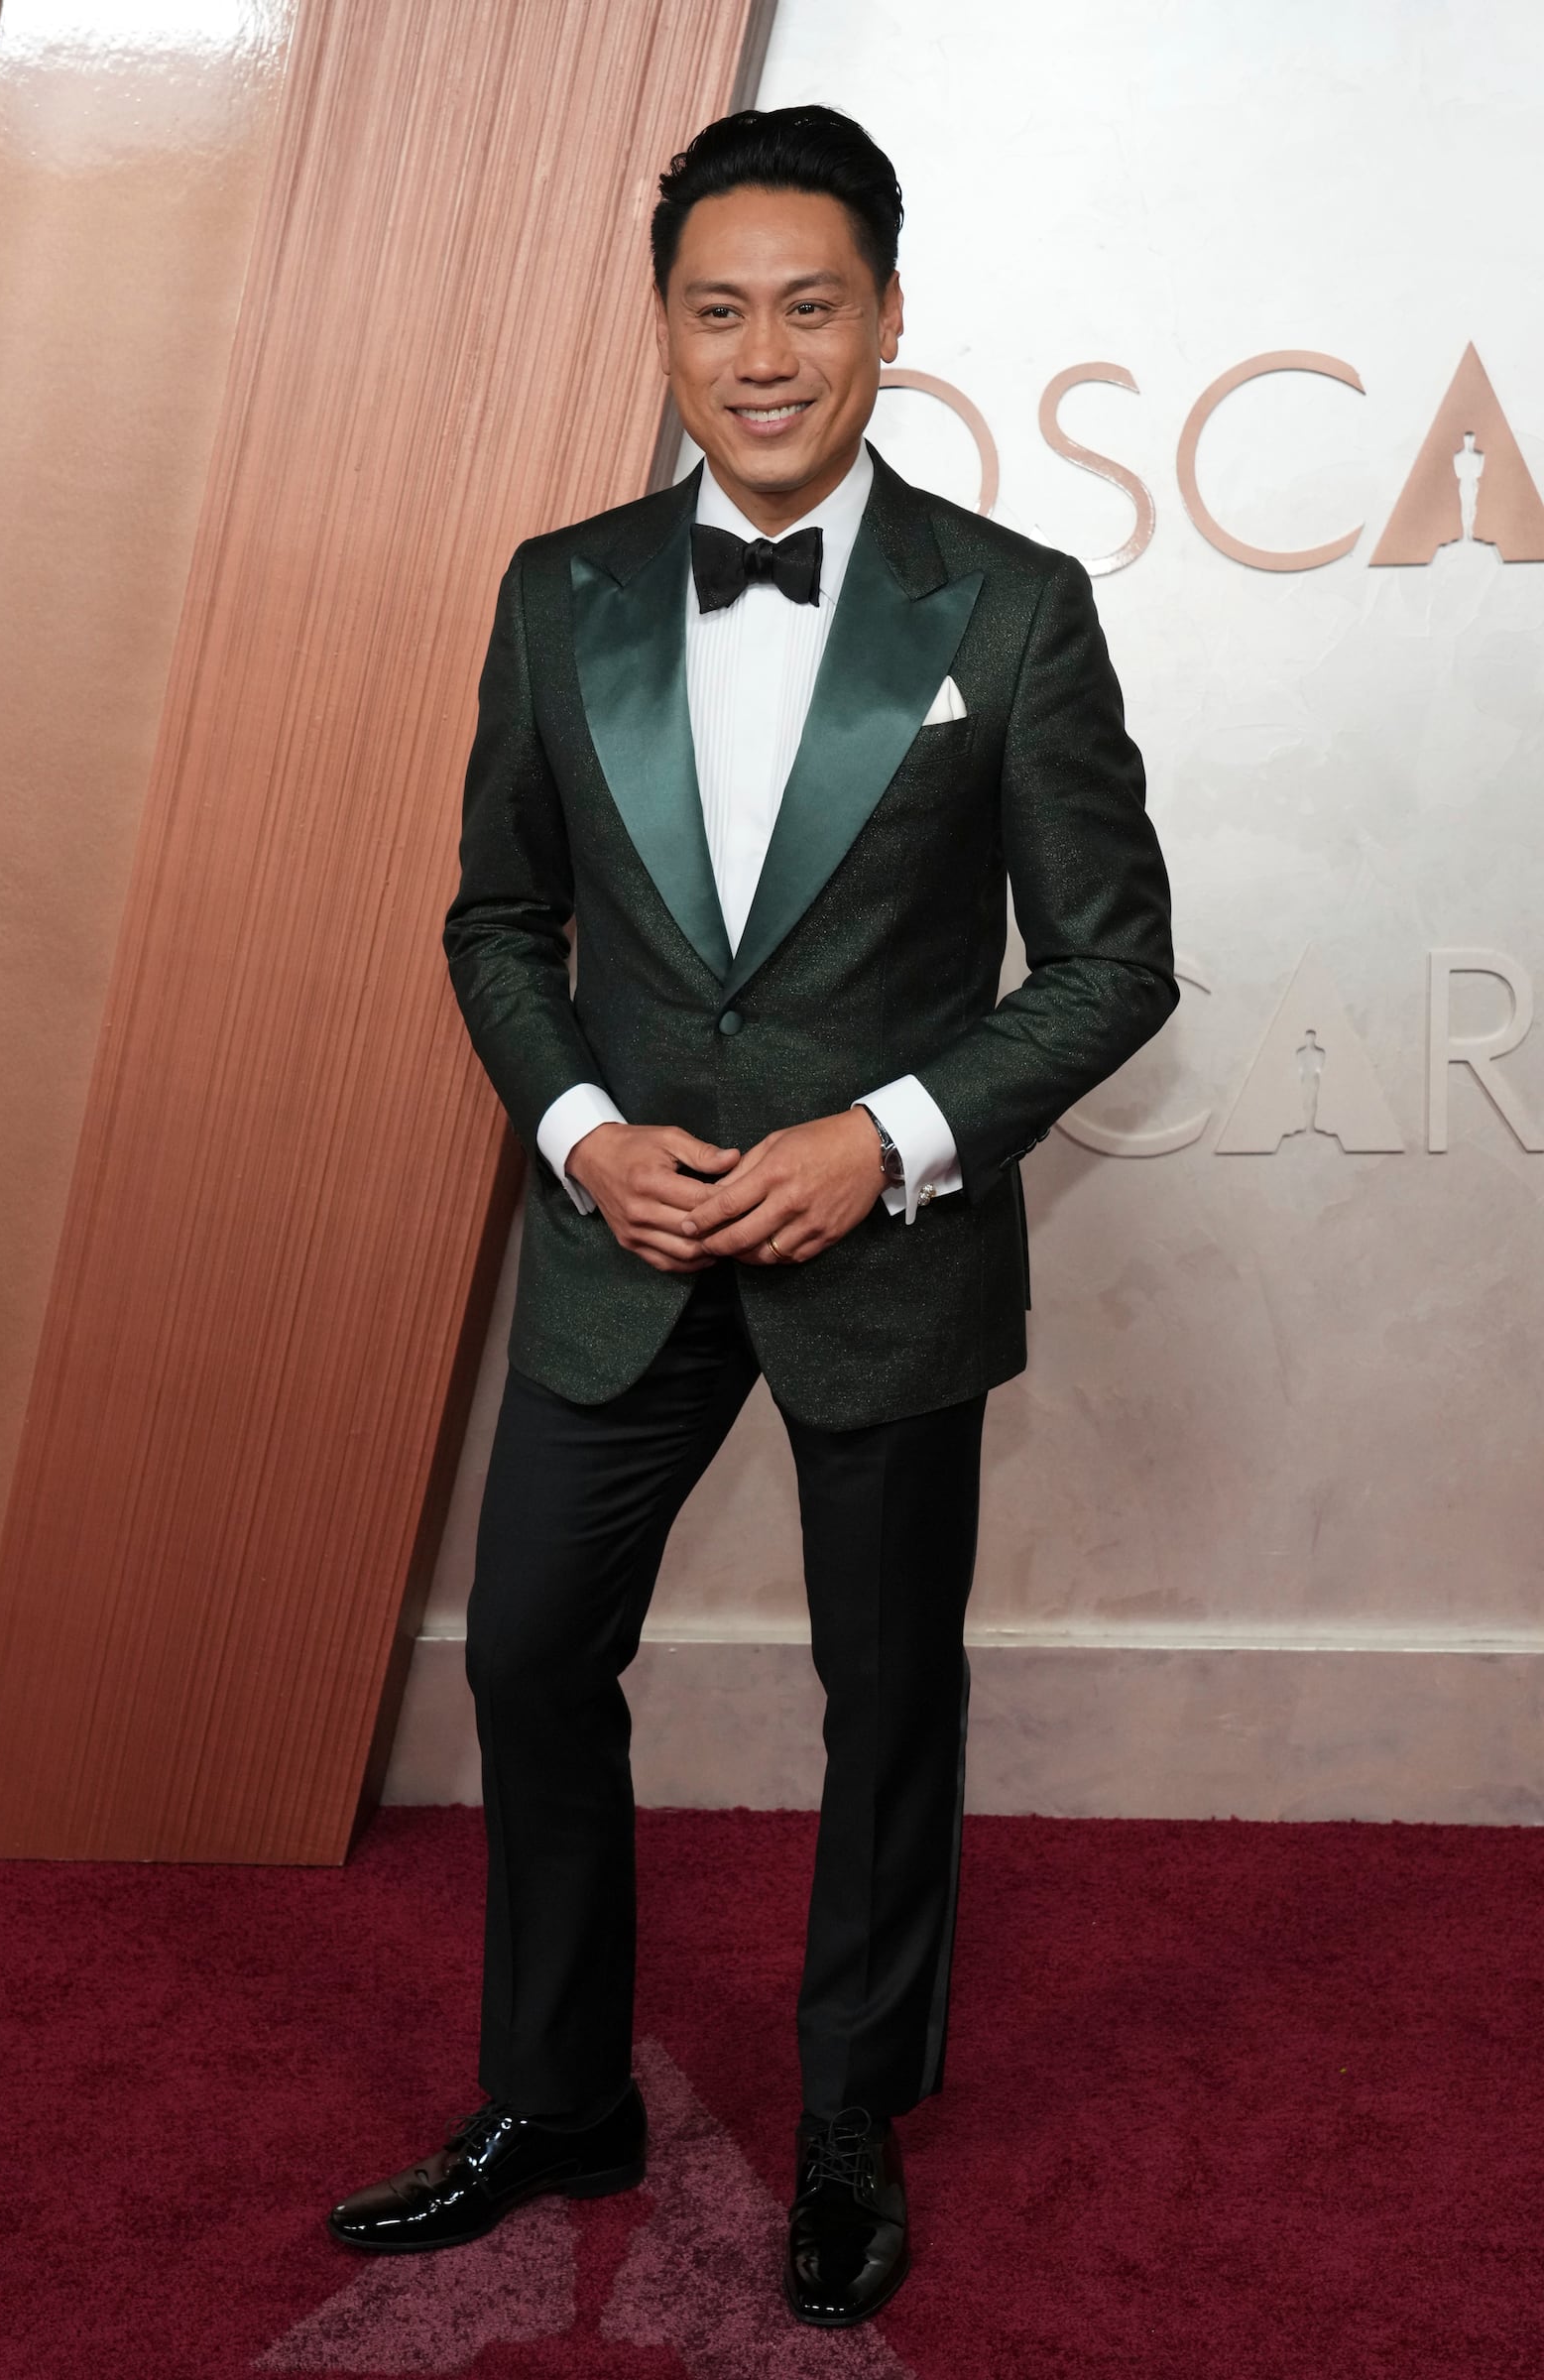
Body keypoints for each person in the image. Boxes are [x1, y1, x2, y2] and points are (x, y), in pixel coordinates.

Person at [328, 103, 1176, 2328]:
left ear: (888, 321)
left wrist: (881, 1135)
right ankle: (555, 2096)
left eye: (809, 306)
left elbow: (1108, 962)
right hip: (618, 1239)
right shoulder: (560, 586)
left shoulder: (1010, 605)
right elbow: (497, 921)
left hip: (878, 1248)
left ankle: (841, 2120)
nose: (763, 351)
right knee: (524, 1654)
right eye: (718, 309)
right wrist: (582, 1128)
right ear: (664, 330)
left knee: (881, 1694)